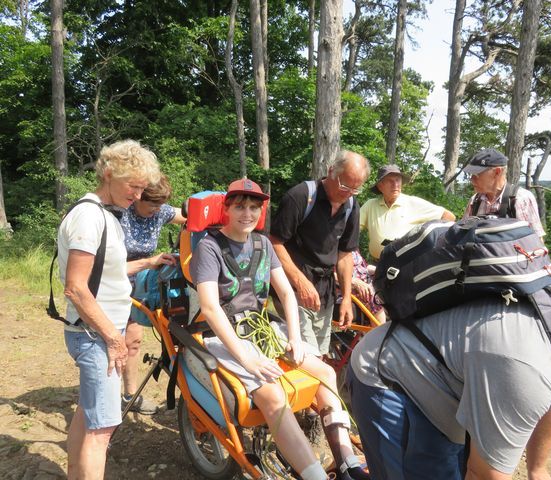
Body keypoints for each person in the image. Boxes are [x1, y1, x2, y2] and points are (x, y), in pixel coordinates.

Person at [346, 274, 551, 480]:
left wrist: (536, 469)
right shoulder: (527, 364)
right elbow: (486, 475)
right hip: (389, 375)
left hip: (448, 374)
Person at [191, 179, 368, 480]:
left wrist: (296, 340)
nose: (247, 214)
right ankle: (315, 476)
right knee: (273, 396)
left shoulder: (261, 243)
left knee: (325, 374)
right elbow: (209, 308)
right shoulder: (210, 247)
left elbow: (286, 294)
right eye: (240, 207)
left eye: (253, 207)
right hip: (225, 334)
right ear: (227, 209)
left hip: (264, 328)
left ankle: (348, 463)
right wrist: (247, 360)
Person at [58, 139, 161, 479]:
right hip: (96, 335)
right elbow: (76, 287)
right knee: (102, 430)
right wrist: (114, 340)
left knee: (87, 416)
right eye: (133, 186)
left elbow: (110, 272)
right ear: (107, 173)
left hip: (98, 332)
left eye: (142, 187)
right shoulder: (89, 217)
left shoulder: (108, 216)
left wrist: (151, 261)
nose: (137, 194)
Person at [270, 150, 370, 355]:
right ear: (331, 171)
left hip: (326, 293)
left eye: (355, 189)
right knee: (307, 355)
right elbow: (274, 243)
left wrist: (347, 298)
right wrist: (301, 282)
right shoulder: (300, 196)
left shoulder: (351, 206)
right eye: (344, 186)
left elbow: (344, 255)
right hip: (293, 290)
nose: (347, 193)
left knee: (321, 353)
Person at [120, 174, 186, 414]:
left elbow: (191, 216)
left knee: (134, 342)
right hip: (114, 283)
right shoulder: (120, 213)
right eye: (152, 206)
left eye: (160, 206)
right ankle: (104, 397)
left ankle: (129, 395)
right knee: (113, 343)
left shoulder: (161, 211)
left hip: (140, 284)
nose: (157, 211)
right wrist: (150, 261)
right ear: (138, 197)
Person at [360, 164, 455, 261]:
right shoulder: (370, 205)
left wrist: (429, 242)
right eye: (390, 181)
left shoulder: (413, 202)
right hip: (378, 263)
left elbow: (448, 216)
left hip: (405, 264)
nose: (395, 184)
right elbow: (353, 228)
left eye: (398, 180)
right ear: (380, 186)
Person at [461, 148, 545, 239]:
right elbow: (463, 234)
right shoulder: (475, 200)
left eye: (477, 174)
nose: (472, 179)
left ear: (497, 172)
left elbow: (536, 241)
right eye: (471, 175)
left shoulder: (521, 199)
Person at [336, 249, 385, 323]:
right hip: (346, 289)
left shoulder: (352, 247)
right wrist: (353, 281)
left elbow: (362, 268)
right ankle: (381, 332)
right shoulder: (332, 250)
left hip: (366, 283)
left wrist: (380, 270)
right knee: (372, 296)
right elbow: (328, 275)